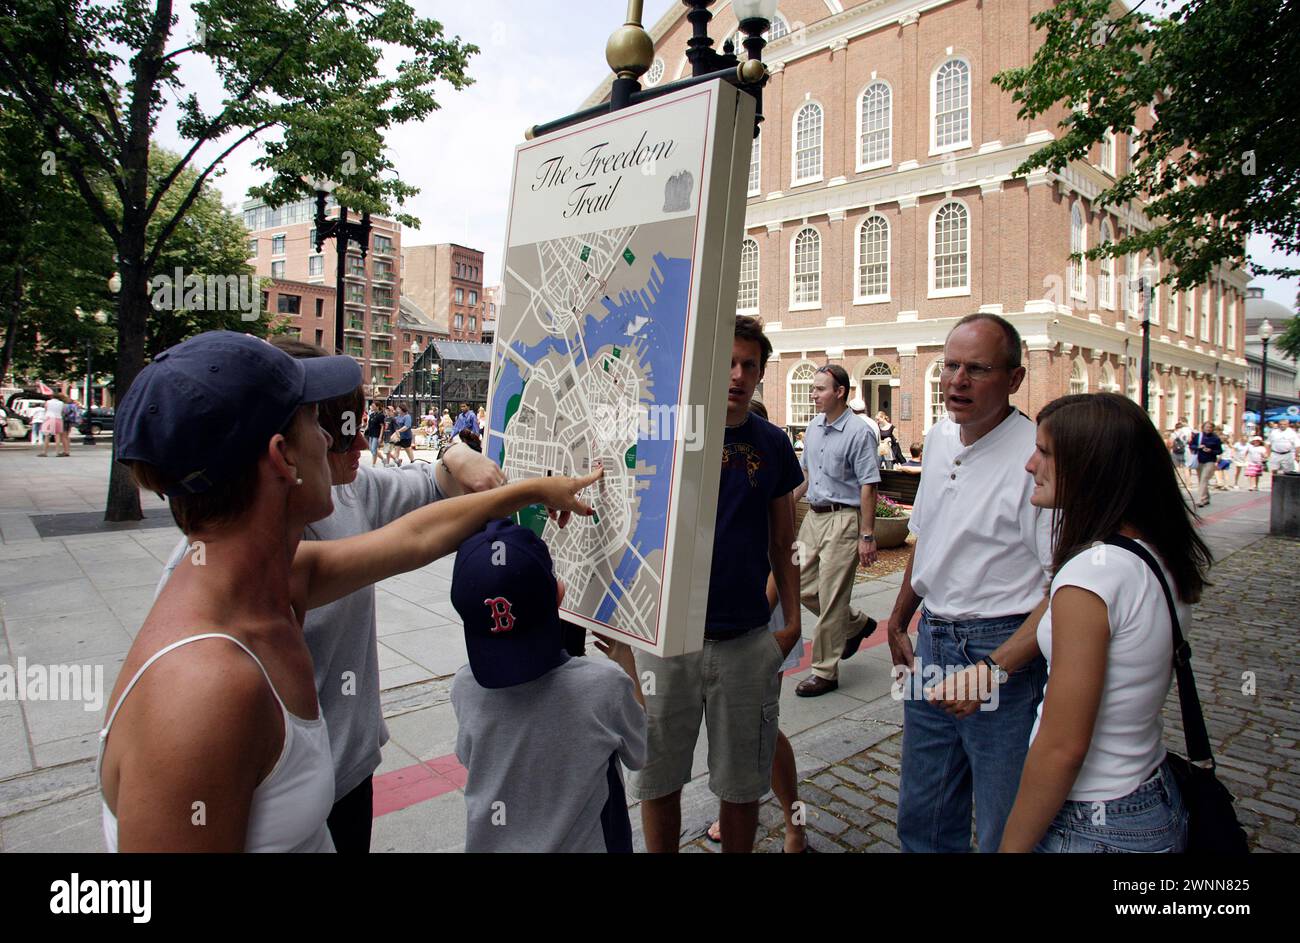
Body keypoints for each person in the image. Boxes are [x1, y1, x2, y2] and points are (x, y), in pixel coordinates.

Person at [97, 330, 600, 852]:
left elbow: (414, 537)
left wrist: (530, 488)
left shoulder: (276, 578)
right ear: (282, 458)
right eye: (316, 423)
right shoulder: (202, 692)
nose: (343, 441)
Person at [155, 338, 506, 852]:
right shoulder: (212, 619)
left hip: (344, 781)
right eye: (332, 435)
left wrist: (454, 450)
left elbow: (430, 505)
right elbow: (415, 539)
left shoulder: (342, 500)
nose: (359, 449)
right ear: (283, 456)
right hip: (283, 803)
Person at [965, 393, 1205, 852]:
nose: (1030, 464)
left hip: (1093, 820)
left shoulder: (1090, 577)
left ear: (1092, 466)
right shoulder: (1154, 552)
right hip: (1148, 791)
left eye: (1046, 452)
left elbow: (1063, 746)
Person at [630, 315, 803, 853]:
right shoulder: (666, 434)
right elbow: (629, 523)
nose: (736, 375)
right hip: (667, 640)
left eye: (749, 365)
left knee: (741, 784)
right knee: (658, 778)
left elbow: (782, 544)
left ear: (760, 374)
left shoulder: (772, 445)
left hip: (744, 640)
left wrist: (792, 621)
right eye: (726, 362)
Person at [885, 313, 1052, 852]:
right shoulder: (935, 438)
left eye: (976, 368)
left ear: (1014, 379)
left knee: (1005, 820)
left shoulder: (1038, 459)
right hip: (932, 638)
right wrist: (897, 619)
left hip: (1001, 649)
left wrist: (992, 669)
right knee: (923, 810)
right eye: (950, 364)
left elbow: (1063, 594)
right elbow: (928, 536)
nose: (957, 379)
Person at [450, 519, 646, 852]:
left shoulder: (464, 687)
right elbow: (640, 751)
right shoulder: (605, 686)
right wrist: (626, 663)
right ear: (559, 592)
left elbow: (472, 759)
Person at [704, 399, 808, 852]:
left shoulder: (768, 451)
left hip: (761, 614)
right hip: (731, 617)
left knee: (765, 728)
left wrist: (773, 622)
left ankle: (792, 816)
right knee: (738, 730)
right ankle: (733, 801)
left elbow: (782, 547)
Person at [791, 364, 880, 697]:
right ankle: (856, 624)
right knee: (798, 584)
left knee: (831, 596)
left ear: (840, 392)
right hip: (813, 518)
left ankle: (825, 671)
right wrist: (787, 503)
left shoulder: (859, 432)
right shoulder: (813, 428)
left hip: (844, 520)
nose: (813, 394)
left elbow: (869, 485)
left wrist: (867, 535)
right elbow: (805, 474)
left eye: (819, 389)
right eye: (813, 388)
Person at [1190, 421, 1222, 508]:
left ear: (1212, 429)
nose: (1208, 429)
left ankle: (1200, 500)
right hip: (1199, 460)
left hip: (1210, 461)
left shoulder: (1215, 438)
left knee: (1204, 479)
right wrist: (1197, 447)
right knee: (1201, 480)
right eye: (1206, 427)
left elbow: (1219, 451)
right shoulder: (1198, 436)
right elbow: (1191, 445)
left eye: (1210, 427)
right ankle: (1206, 497)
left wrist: (1211, 450)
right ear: (1203, 427)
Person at [365, 401, 385, 466]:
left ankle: (373, 464)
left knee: (374, 449)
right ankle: (383, 459)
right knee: (371, 449)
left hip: (376, 434)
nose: (372, 407)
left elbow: (382, 426)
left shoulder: (381, 415)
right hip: (371, 433)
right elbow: (368, 424)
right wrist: (365, 430)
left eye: (373, 406)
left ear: (377, 407)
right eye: (372, 406)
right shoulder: (372, 414)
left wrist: (380, 437)